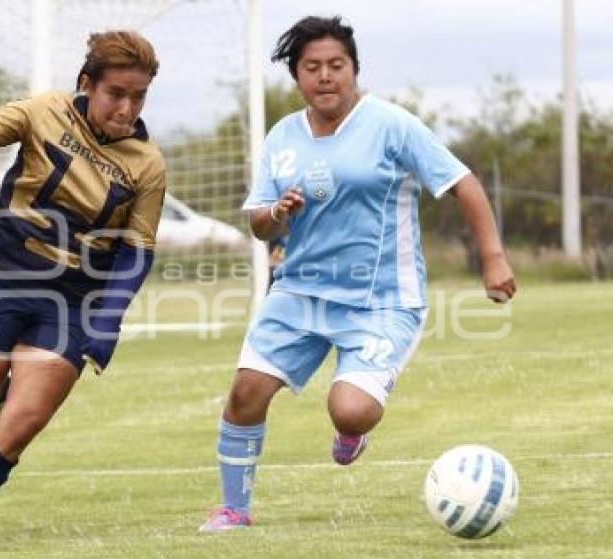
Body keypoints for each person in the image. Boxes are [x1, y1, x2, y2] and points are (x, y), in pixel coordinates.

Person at [199, 16, 516, 532]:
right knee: (245, 392)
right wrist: (278, 212)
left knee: (349, 409)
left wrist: (493, 258)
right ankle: (234, 508)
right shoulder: (282, 137)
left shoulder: (392, 124)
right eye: (312, 67)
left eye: (336, 66)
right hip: (299, 292)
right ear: (297, 77)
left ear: (354, 70)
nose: (326, 77)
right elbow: (258, 224)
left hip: (383, 299)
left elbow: (463, 182)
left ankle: (352, 432)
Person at [0, 30, 166, 550]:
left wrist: (106, 321)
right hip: (1, 280)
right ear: (87, 84)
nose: (127, 107)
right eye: (117, 93)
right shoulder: (43, 109)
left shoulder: (148, 164)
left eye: (139, 97)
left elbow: (137, 251)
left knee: (25, 423)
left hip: (71, 303)